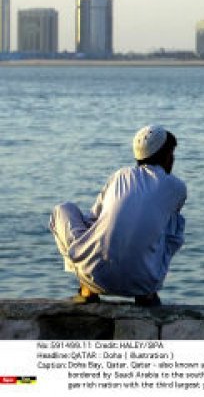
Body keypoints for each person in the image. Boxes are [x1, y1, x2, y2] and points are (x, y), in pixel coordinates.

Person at [50, 125, 187, 306]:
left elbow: (94, 219)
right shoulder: (177, 187)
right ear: (166, 155)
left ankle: (86, 287)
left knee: (63, 210)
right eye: (171, 153)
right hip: (145, 283)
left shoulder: (120, 176)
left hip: (95, 277)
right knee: (174, 222)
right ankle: (147, 294)